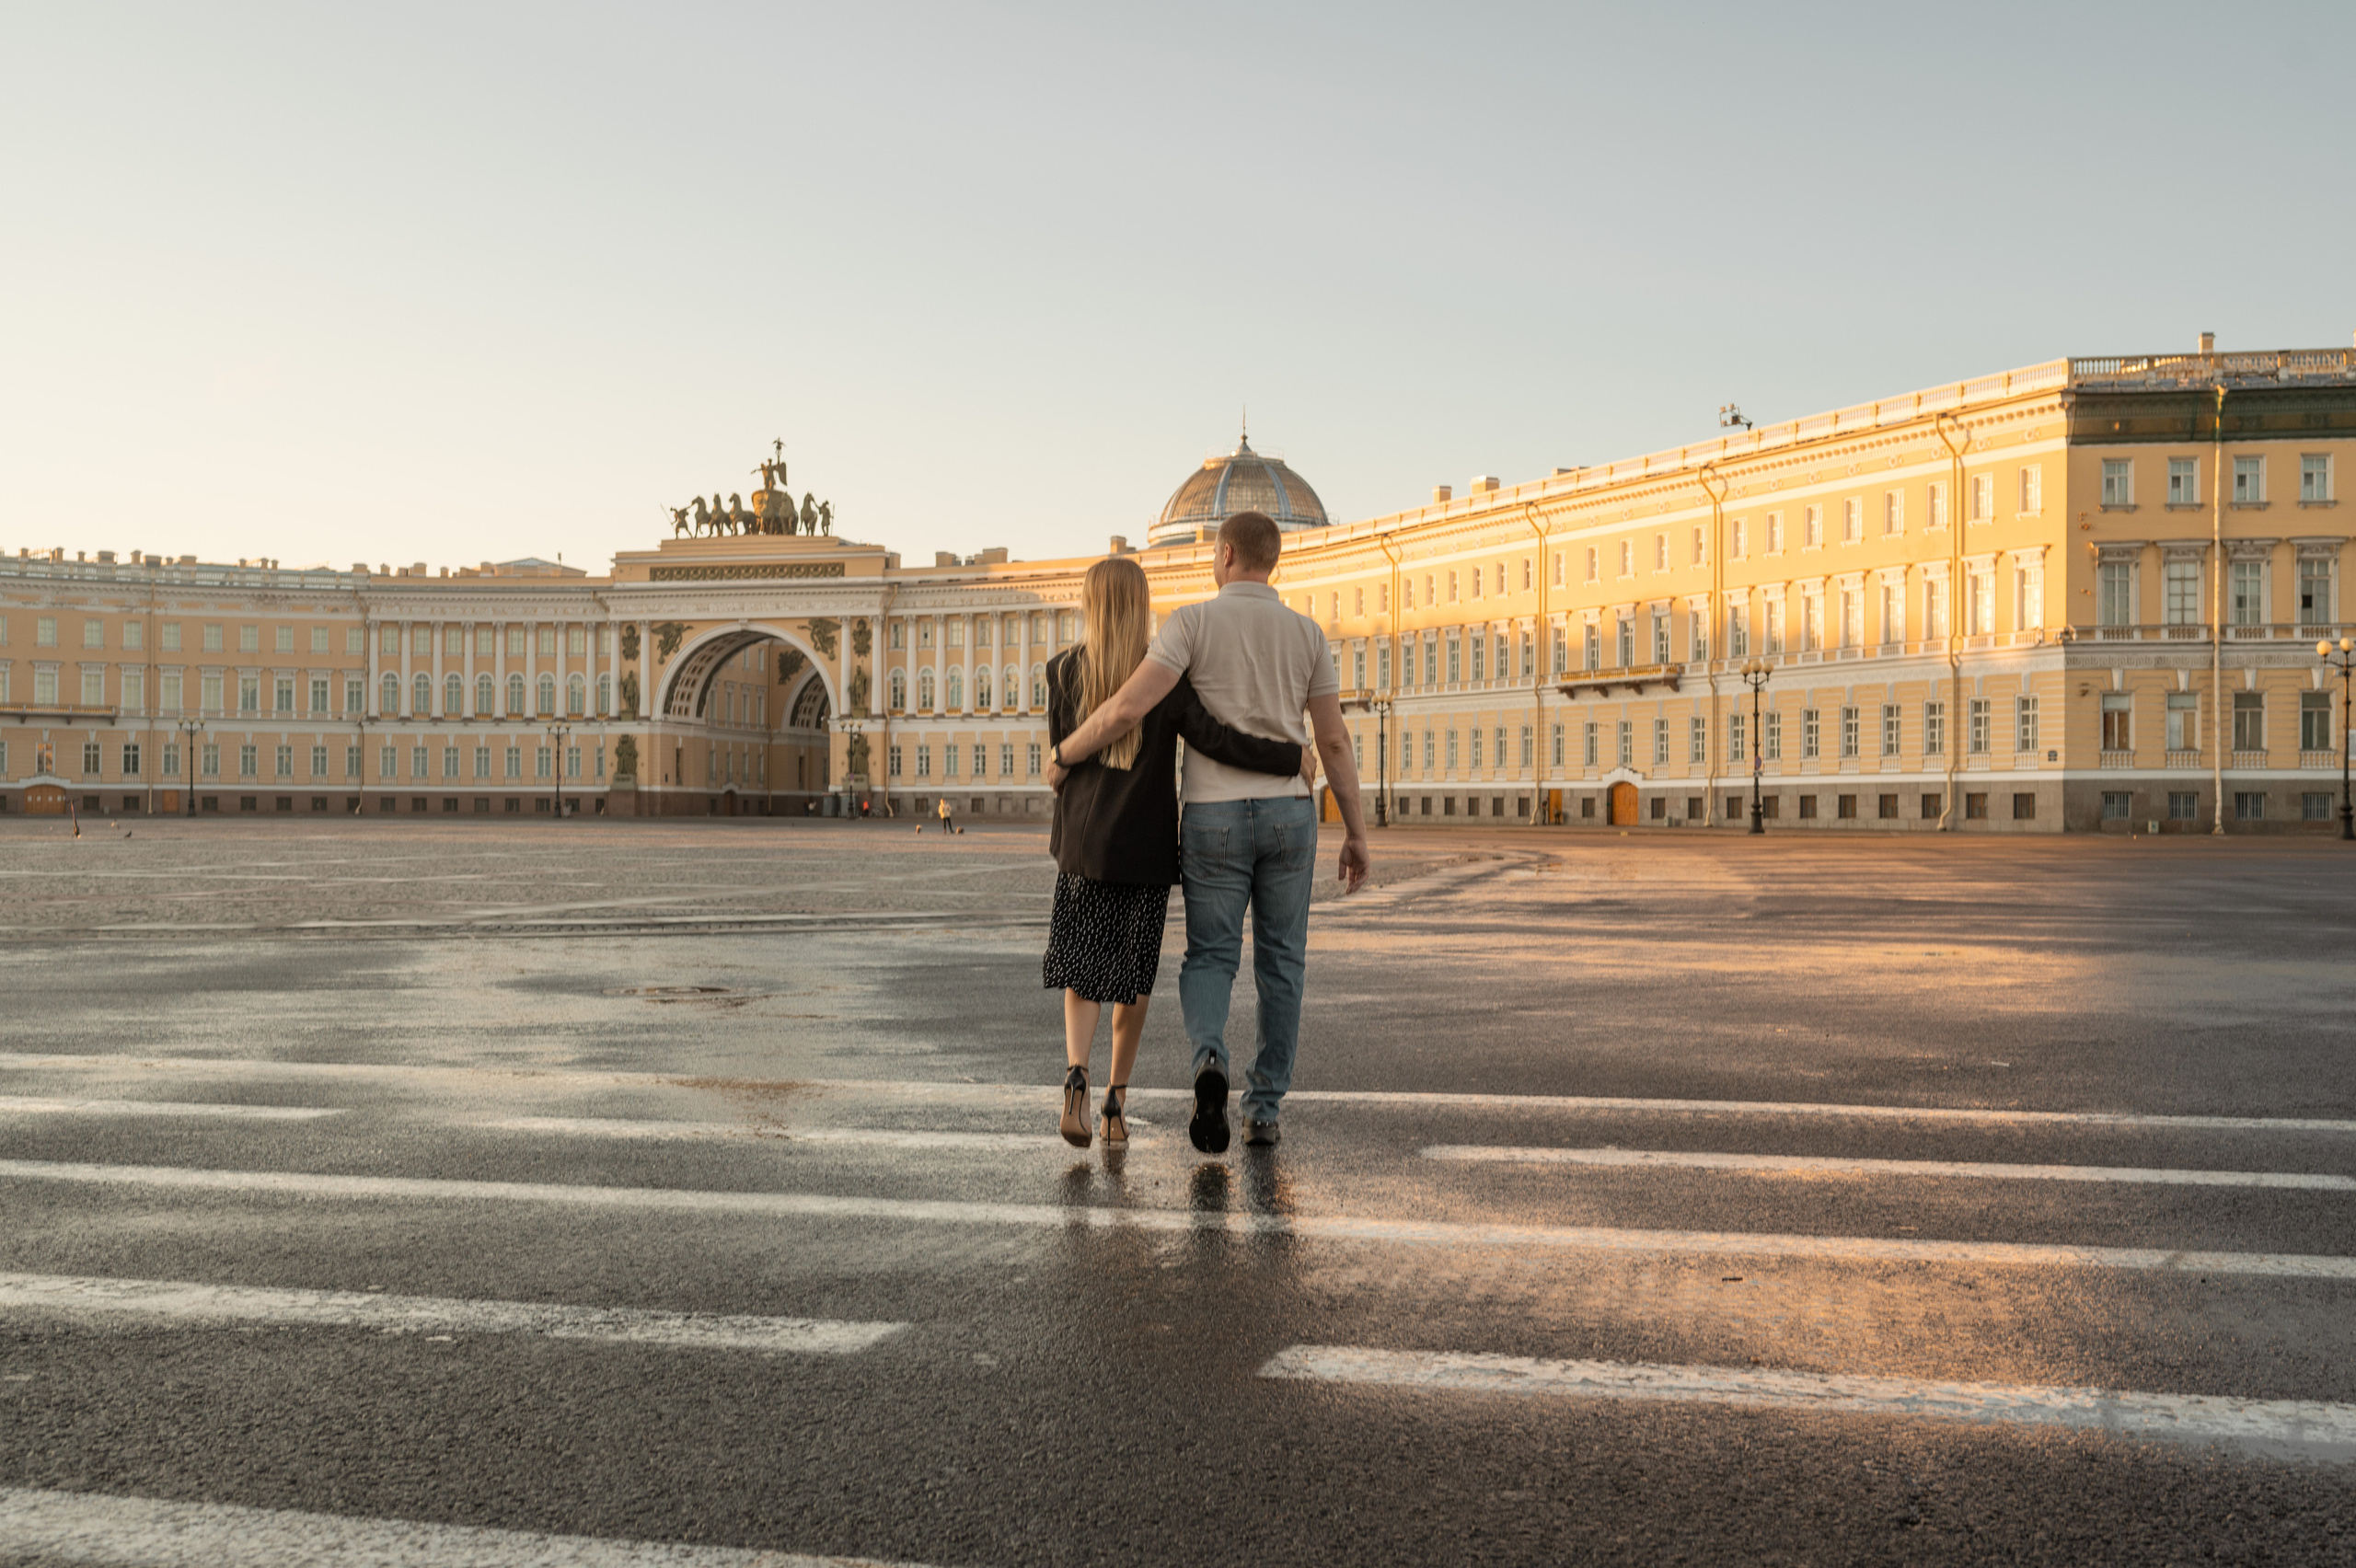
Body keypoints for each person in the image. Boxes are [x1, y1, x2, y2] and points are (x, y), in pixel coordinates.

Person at [1051, 511, 1369, 1153]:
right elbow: (1330, 739)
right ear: (1271, 559)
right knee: (1281, 965)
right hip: (1279, 816)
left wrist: (1061, 757)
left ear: (1224, 554)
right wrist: (1355, 829)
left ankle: (1202, 1066)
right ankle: (1262, 1109)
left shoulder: (1186, 625)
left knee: (1208, 958)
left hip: (1190, 822)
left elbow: (1122, 710)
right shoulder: (1308, 633)